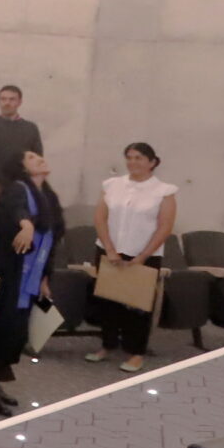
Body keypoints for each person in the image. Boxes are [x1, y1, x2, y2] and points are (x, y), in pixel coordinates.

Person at [0, 147, 60, 414]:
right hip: (8, 272)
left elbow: (51, 238)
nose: (40, 158)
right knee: (0, 330)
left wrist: (45, 276)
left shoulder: (47, 195)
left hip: (30, 275)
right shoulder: (17, 188)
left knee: (14, 334)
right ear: (23, 168)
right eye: (32, 158)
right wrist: (26, 224)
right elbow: (16, 209)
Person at [92, 142, 177, 372]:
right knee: (107, 301)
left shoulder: (164, 191)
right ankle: (107, 345)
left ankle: (136, 352)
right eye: (129, 157)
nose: (132, 162)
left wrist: (142, 256)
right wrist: (109, 248)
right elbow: (100, 218)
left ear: (151, 162)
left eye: (139, 158)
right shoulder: (112, 185)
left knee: (138, 307)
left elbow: (165, 226)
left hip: (143, 255)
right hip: (110, 251)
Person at [0, 85, 44, 193]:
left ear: (19, 102)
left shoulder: (31, 128)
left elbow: (37, 156)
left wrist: (22, 180)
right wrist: (4, 180)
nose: (7, 103)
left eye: (12, 99)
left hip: (22, 185)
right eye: (3, 99)